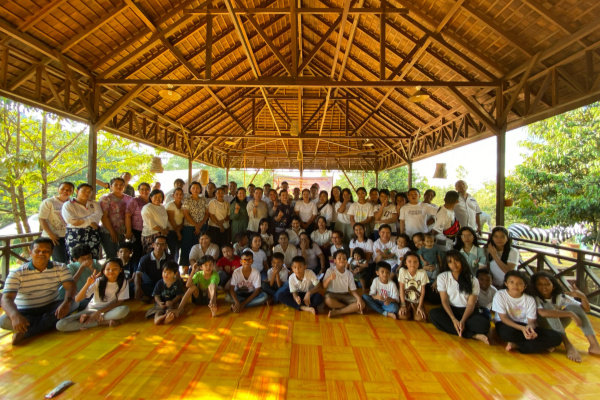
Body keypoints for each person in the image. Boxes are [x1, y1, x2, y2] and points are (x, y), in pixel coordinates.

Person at [0, 238, 77, 344]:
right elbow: (6, 298)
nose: (41, 253)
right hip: (25, 311)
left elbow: (71, 286)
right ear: (31, 252)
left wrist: (66, 302)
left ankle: (28, 331)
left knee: (74, 303)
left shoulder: (61, 268)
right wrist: (15, 316)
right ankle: (46, 323)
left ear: (51, 252)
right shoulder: (17, 273)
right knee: (3, 321)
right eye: (37, 251)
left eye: (46, 251)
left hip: (51, 307)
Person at [531, 271, 600, 362]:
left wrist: (583, 297)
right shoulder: (533, 297)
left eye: (547, 284)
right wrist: (570, 314)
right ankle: (568, 345)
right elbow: (543, 313)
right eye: (539, 284)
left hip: (555, 327)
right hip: (540, 329)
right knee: (549, 307)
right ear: (534, 286)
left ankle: (594, 345)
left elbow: (585, 310)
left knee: (574, 307)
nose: (544, 287)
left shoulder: (559, 296)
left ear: (553, 286)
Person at [492, 271, 563, 354]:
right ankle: (538, 345)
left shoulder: (530, 299)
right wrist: (522, 329)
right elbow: (503, 318)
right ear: (506, 283)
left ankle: (517, 345)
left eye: (519, 283)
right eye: (512, 282)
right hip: (507, 325)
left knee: (557, 337)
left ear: (525, 286)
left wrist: (530, 330)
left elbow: (531, 322)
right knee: (507, 334)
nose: (515, 285)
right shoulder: (500, 295)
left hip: (525, 326)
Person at [429, 251, 490, 343]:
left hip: (467, 312)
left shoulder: (473, 280)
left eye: (456, 260)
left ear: (462, 261)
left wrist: (462, 321)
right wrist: (453, 319)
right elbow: (444, 300)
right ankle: (473, 335)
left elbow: (471, 304)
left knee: (484, 325)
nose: (453, 264)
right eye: (450, 262)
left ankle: (461, 328)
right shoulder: (443, 277)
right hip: (451, 310)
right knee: (434, 314)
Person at [56, 258, 130, 332]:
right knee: (60, 325)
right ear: (103, 271)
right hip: (91, 310)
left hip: (108, 311)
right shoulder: (98, 281)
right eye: (108, 269)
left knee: (124, 310)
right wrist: (88, 284)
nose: (111, 271)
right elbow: (77, 299)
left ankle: (91, 320)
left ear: (120, 270)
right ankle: (102, 322)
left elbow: (119, 302)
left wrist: (99, 312)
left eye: (115, 269)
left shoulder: (123, 282)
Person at [62, 183, 103, 260]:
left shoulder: (94, 203)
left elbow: (98, 215)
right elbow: (71, 221)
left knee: (93, 257)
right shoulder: (68, 204)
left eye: (89, 191)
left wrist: (81, 220)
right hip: (74, 233)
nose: (87, 193)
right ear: (77, 191)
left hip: (92, 233)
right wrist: (90, 223)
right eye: (84, 191)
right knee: (75, 257)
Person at [38, 181, 74, 263]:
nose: (65, 191)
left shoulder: (73, 203)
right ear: (58, 190)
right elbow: (41, 219)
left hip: (69, 236)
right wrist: (50, 234)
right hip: (54, 237)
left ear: (72, 192)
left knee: (70, 260)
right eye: (63, 189)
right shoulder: (49, 202)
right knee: (60, 261)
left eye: (69, 190)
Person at [324, 250, 365, 318]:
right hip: (332, 294)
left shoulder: (349, 273)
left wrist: (359, 299)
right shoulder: (330, 270)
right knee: (328, 300)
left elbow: (353, 290)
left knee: (362, 304)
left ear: (346, 261)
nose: (342, 260)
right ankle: (350, 309)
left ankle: (338, 311)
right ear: (335, 261)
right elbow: (324, 286)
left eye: (344, 258)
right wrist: (329, 278)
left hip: (345, 294)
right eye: (339, 258)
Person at [99, 177, 132, 259]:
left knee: (121, 256)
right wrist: (112, 232)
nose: (119, 186)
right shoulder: (106, 198)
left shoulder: (129, 199)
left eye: (121, 185)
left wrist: (128, 230)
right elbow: (104, 216)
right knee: (112, 256)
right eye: (116, 184)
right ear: (111, 186)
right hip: (108, 231)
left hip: (122, 232)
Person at [180, 181, 208, 273]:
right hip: (189, 227)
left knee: (200, 247)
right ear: (190, 189)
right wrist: (196, 226)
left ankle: (200, 269)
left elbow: (207, 213)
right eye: (193, 188)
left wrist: (200, 225)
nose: (196, 190)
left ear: (200, 189)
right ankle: (185, 270)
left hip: (202, 227)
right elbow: (186, 214)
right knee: (187, 247)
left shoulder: (203, 199)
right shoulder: (187, 200)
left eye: (198, 188)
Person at [134, 235, 172, 301]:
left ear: (165, 246)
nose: (159, 246)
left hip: (163, 284)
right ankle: (158, 297)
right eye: (157, 244)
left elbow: (175, 273)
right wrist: (138, 287)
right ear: (153, 245)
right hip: (149, 284)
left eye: (162, 244)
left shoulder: (169, 258)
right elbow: (138, 274)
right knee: (135, 287)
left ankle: (152, 297)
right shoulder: (145, 258)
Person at [398, 251, 428, 322]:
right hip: (406, 300)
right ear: (405, 263)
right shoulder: (402, 271)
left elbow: (422, 291)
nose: (412, 264)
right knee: (402, 316)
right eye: (409, 261)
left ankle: (415, 311)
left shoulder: (422, 273)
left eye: (415, 262)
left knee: (421, 318)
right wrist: (403, 305)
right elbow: (401, 288)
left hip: (417, 301)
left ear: (418, 263)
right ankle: (410, 311)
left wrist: (420, 306)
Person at [125, 182, 151, 258]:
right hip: (137, 231)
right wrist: (128, 230)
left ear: (149, 190)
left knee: (147, 253)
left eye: (146, 189)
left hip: (149, 231)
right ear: (139, 191)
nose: (144, 191)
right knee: (137, 252)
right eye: (142, 189)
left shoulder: (152, 200)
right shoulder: (134, 200)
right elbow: (127, 215)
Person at [141, 189, 169, 254]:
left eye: (160, 197)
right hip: (151, 235)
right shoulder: (147, 207)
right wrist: (162, 230)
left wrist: (166, 229)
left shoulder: (162, 207)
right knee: (152, 256)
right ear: (151, 198)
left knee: (162, 255)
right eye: (155, 197)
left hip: (162, 234)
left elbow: (165, 220)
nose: (158, 199)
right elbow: (151, 224)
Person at [418, 232, 443, 304]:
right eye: (427, 241)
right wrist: (424, 262)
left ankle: (435, 282)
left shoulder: (435, 248)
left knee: (436, 272)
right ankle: (425, 285)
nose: (429, 243)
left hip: (434, 264)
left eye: (431, 241)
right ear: (424, 242)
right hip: (425, 266)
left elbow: (438, 256)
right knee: (425, 276)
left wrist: (440, 263)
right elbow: (420, 256)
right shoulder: (422, 249)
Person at [166, 187, 185, 262]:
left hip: (181, 230)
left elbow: (184, 218)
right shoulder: (170, 205)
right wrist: (178, 232)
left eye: (180, 194)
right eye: (177, 194)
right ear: (173, 195)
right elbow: (171, 219)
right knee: (173, 252)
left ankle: (176, 269)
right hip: (171, 231)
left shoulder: (183, 205)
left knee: (178, 251)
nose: (179, 196)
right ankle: (171, 269)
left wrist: (180, 228)